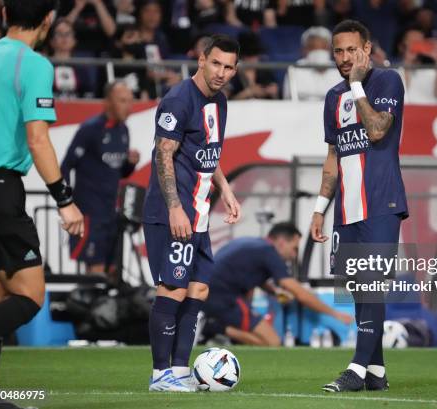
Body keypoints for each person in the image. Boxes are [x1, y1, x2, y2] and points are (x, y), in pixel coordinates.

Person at [0, 1, 84, 408]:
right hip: (1, 188)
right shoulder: (34, 64)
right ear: (49, 20)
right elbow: (38, 139)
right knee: (30, 296)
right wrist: (64, 200)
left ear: (5, 16)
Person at [310, 19, 408, 393]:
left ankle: (355, 368)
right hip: (346, 210)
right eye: (339, 51)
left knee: (372, 285)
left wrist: (356, 86)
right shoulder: (333, 97)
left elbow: (377, 129)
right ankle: (377, 372)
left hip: (382, 202)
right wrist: (320, 207)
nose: (345, 57)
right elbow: (333, 157)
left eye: (353, 49)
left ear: (367, 49)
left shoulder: (387, 81)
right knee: (357, 288)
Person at [142, 34, 241, 392]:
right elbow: (163, 154)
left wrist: (225, 188)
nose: (221, 72)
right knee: (173, 290)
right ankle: (159, 375)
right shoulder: (178, 99)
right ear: (201, 60)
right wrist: (174, 208)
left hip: (199, 214)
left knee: (197, 289)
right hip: (173, 214)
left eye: (229, 67)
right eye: (216, 63)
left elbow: (207, 152)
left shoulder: (221, 103)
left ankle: (181, 371)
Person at [203, 222, 353, 346]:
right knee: (273, 342)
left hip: (211, 294)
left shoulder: (254, 245)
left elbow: (254, 278)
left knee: (255, 334)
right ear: (281, 242)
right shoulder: (269, 252)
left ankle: (218, 329)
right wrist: (336, 314)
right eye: (294, 248)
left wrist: (275, 293)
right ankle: (214, 329)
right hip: (225, 299)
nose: (294, 255)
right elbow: (301, 295)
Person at [61, 81, 139, 277]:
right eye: (122, 101)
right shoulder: (90, 129)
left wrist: (130, 164)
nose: (128, 107)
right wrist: (66, 203)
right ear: (107, 102)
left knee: (112, 269)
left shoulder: (124, 131)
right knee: (94, 270)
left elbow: (119, 172)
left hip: (111, 212)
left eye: (130, 101)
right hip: (89, 212)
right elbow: (66, 165)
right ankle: (86, 305)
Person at [283, 26, 343, 101]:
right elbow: (288, 99)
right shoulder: (295, 69)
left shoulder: (339, 69)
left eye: (323, 47)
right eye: (313, 47)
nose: (319, 51)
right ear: (304, 50)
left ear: (330, 49)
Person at [48, 18, 96, 99]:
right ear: (52, 41)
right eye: (59, 33)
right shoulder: (45, 66)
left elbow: (88, 94)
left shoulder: (81, 67)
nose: (64, 37)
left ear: (74, 41)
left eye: (68, 34)